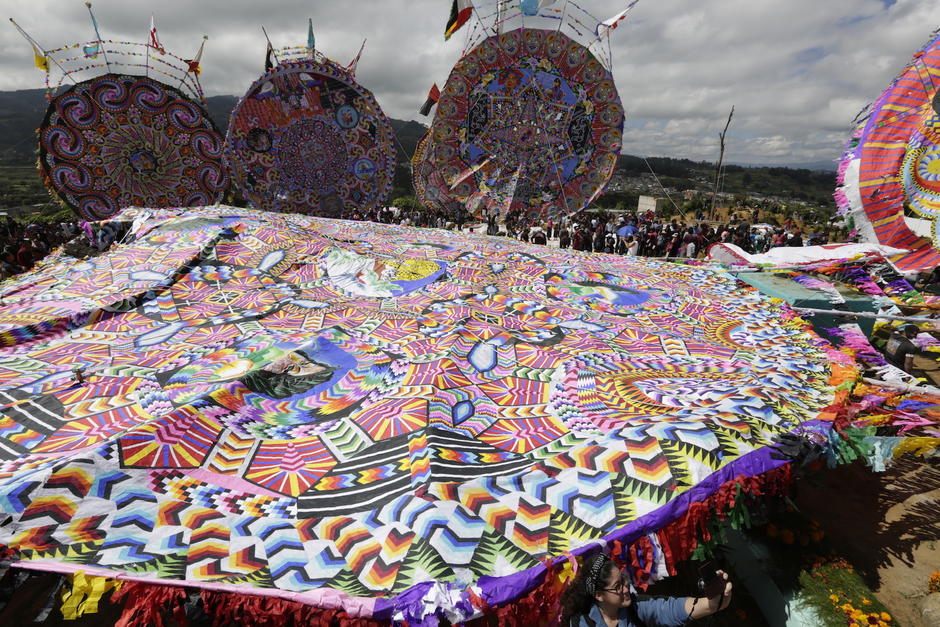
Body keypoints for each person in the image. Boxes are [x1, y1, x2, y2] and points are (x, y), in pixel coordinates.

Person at [560, 553, 732, 627]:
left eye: (624, 580)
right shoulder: (579, 624)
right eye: (617, 587)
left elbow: (673, 608)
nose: (626, 588)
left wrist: (715, 600)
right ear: (599, 595)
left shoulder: (637, 607)